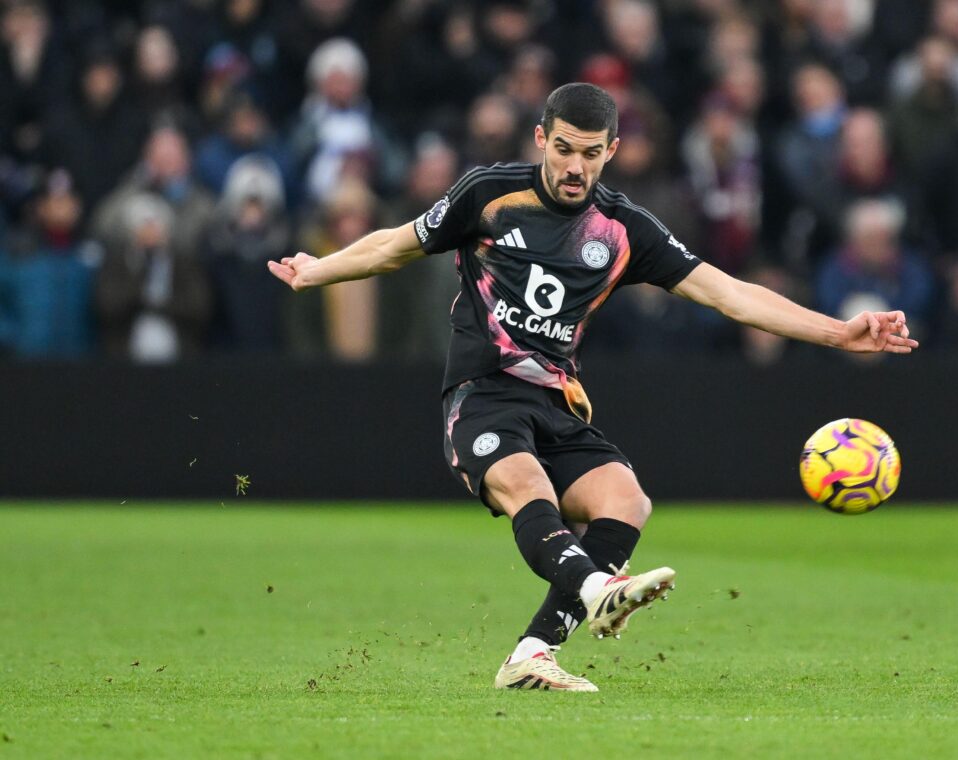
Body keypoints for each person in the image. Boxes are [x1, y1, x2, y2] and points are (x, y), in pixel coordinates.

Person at [267, 83, 917, 692]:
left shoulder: (624, 229)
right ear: (540, 138)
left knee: (627, 502)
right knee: (528, 487)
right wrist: (317, 270)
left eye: (590, 153)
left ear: (611, 151)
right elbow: (396, 245)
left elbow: (727, 292)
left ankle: (532, 652)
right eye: (563, 149)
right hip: (482, 392)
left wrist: (837, 333)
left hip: (557, 399)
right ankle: (597, 589)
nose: (575, 167)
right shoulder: (489, 194)